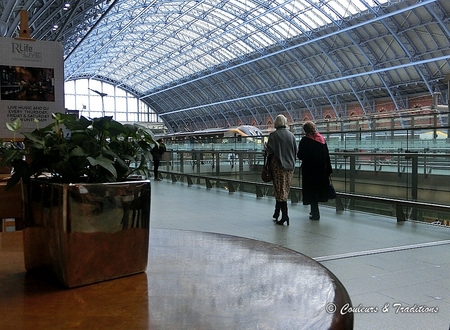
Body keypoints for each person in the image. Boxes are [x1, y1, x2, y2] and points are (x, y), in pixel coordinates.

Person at [265, 114, 297, 226]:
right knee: (285, 189)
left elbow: (269, 150)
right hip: (290, 167)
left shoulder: (273, 135)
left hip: (278, 166)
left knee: (279, 190)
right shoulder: (291, 135)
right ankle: (277, 212)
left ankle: (285, 216)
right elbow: (295, 151)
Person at [297, 121, 332, 220]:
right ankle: (314, 212)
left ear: (305, 131)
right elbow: (327, 156)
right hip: (322, 171)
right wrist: (329, 170)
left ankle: (315, 213)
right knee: (318, 191)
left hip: (310, 171)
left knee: (311, 192)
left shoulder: (305, 140)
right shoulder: (322, 139)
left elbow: (300, 155)